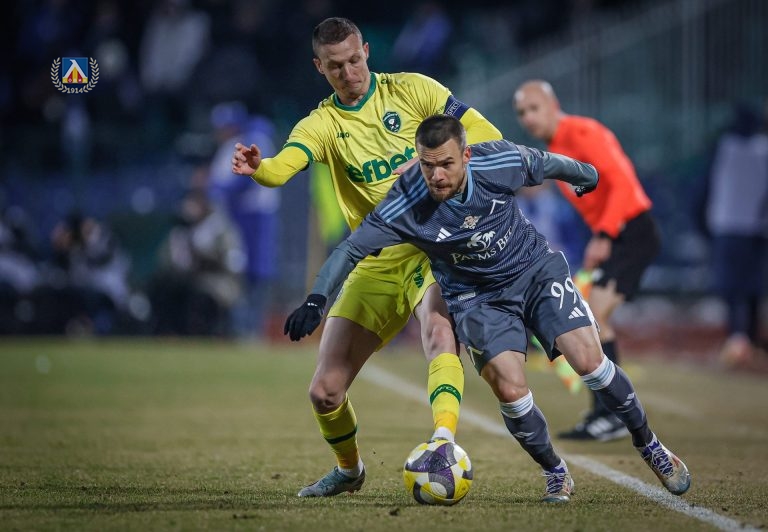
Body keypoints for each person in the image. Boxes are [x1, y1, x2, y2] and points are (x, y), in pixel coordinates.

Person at [285, 114, 691, 503]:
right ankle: (555, 470)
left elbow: (546, 162)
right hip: (475, 297)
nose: (437, 175)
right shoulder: (405, 202)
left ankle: (650, 445)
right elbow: (351, 249)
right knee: (510, 391)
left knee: (589, 361)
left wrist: (587, 176)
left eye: (446, 164)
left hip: (534, 272)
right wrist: (317, 299)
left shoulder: (497, 160)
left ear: (466, 155)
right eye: (427, 165)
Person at [231, 17, 502, 497]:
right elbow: (283, 167)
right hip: (374, 261)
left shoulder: (413, 90)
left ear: (368, 52)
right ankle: (350, 471)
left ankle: (443, 442)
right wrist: (260, 168)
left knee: (439, 331)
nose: (348, 72)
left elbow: (485, 132)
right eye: (335, 66)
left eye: (354, 60)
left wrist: (429, 161)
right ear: (319, 67)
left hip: (432, 249)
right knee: (324, 392)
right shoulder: (322, 124)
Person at [513, 80, 661, 442]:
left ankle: (611, 415)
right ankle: (606, 414)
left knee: (594, 317)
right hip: (616, 234)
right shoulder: (556, 147)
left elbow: (622, 183)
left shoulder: (582, 132)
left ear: (553, 106)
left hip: (631, 232)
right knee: (593, 319)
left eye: (534, 108)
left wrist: (605, 235)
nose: (528, 118)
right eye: (522, 112)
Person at [701, 103, 768, 364]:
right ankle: (751, 339)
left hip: (728, 226)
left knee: (732, 287)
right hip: (756, 228)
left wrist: (702, 222)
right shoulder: (763, 148)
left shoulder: (724, 146)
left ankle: (737, 339)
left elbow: (706, 185)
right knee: (752, 287)